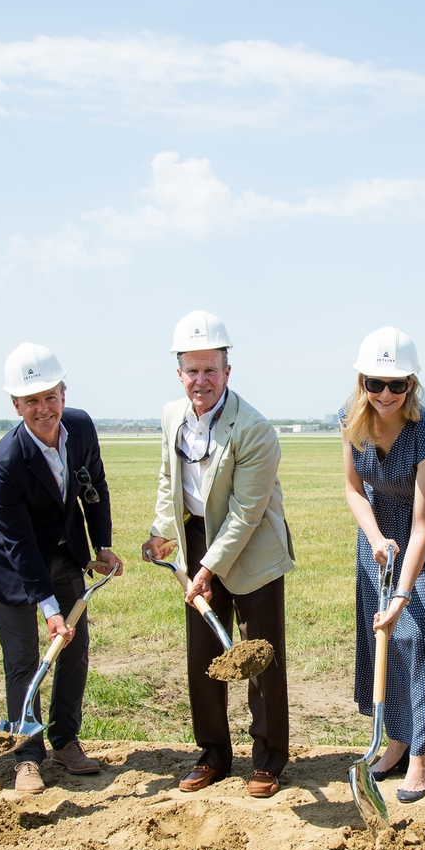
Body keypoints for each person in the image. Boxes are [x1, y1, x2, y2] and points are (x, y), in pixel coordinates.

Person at [142, 311, 295, 798]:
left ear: (228, 372)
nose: (201, 380)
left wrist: (208, 569)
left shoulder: (254, 429)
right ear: (179, 373)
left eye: (211, 370)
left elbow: (247, 513)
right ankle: (213, 754)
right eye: (192, 370)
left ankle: (268, 759)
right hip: (196, 541)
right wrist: (163, 534)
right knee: (204, 655)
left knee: (259, 657)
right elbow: (172, 481)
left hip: (251, 549)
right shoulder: (172, 416)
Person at [0, 343, 121, 795]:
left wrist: (101, 545)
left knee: (73, 649)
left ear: (63, 392)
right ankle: (27, 754)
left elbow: (93, 485)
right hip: (13, 565)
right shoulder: (4, 463)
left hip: (64, 553)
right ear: (16, 405)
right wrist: (47, 607)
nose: (44, 409)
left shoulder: (79, 427)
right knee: (24, 659)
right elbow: (18, 544)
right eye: (32, 401)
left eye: (51, 396)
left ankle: (64, 739)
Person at [340, 327, 425, 802]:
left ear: (412, 385)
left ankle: (419, 755)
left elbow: (422, 523)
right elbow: (354, 489)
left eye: (397, 385)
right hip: (376, 528)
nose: (386, 394)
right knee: (385, 639)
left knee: (420, 636)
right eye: (376, 384)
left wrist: (401, 594)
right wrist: (373, 537)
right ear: (362, 383)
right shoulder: (349, 421)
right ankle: (393, 742)